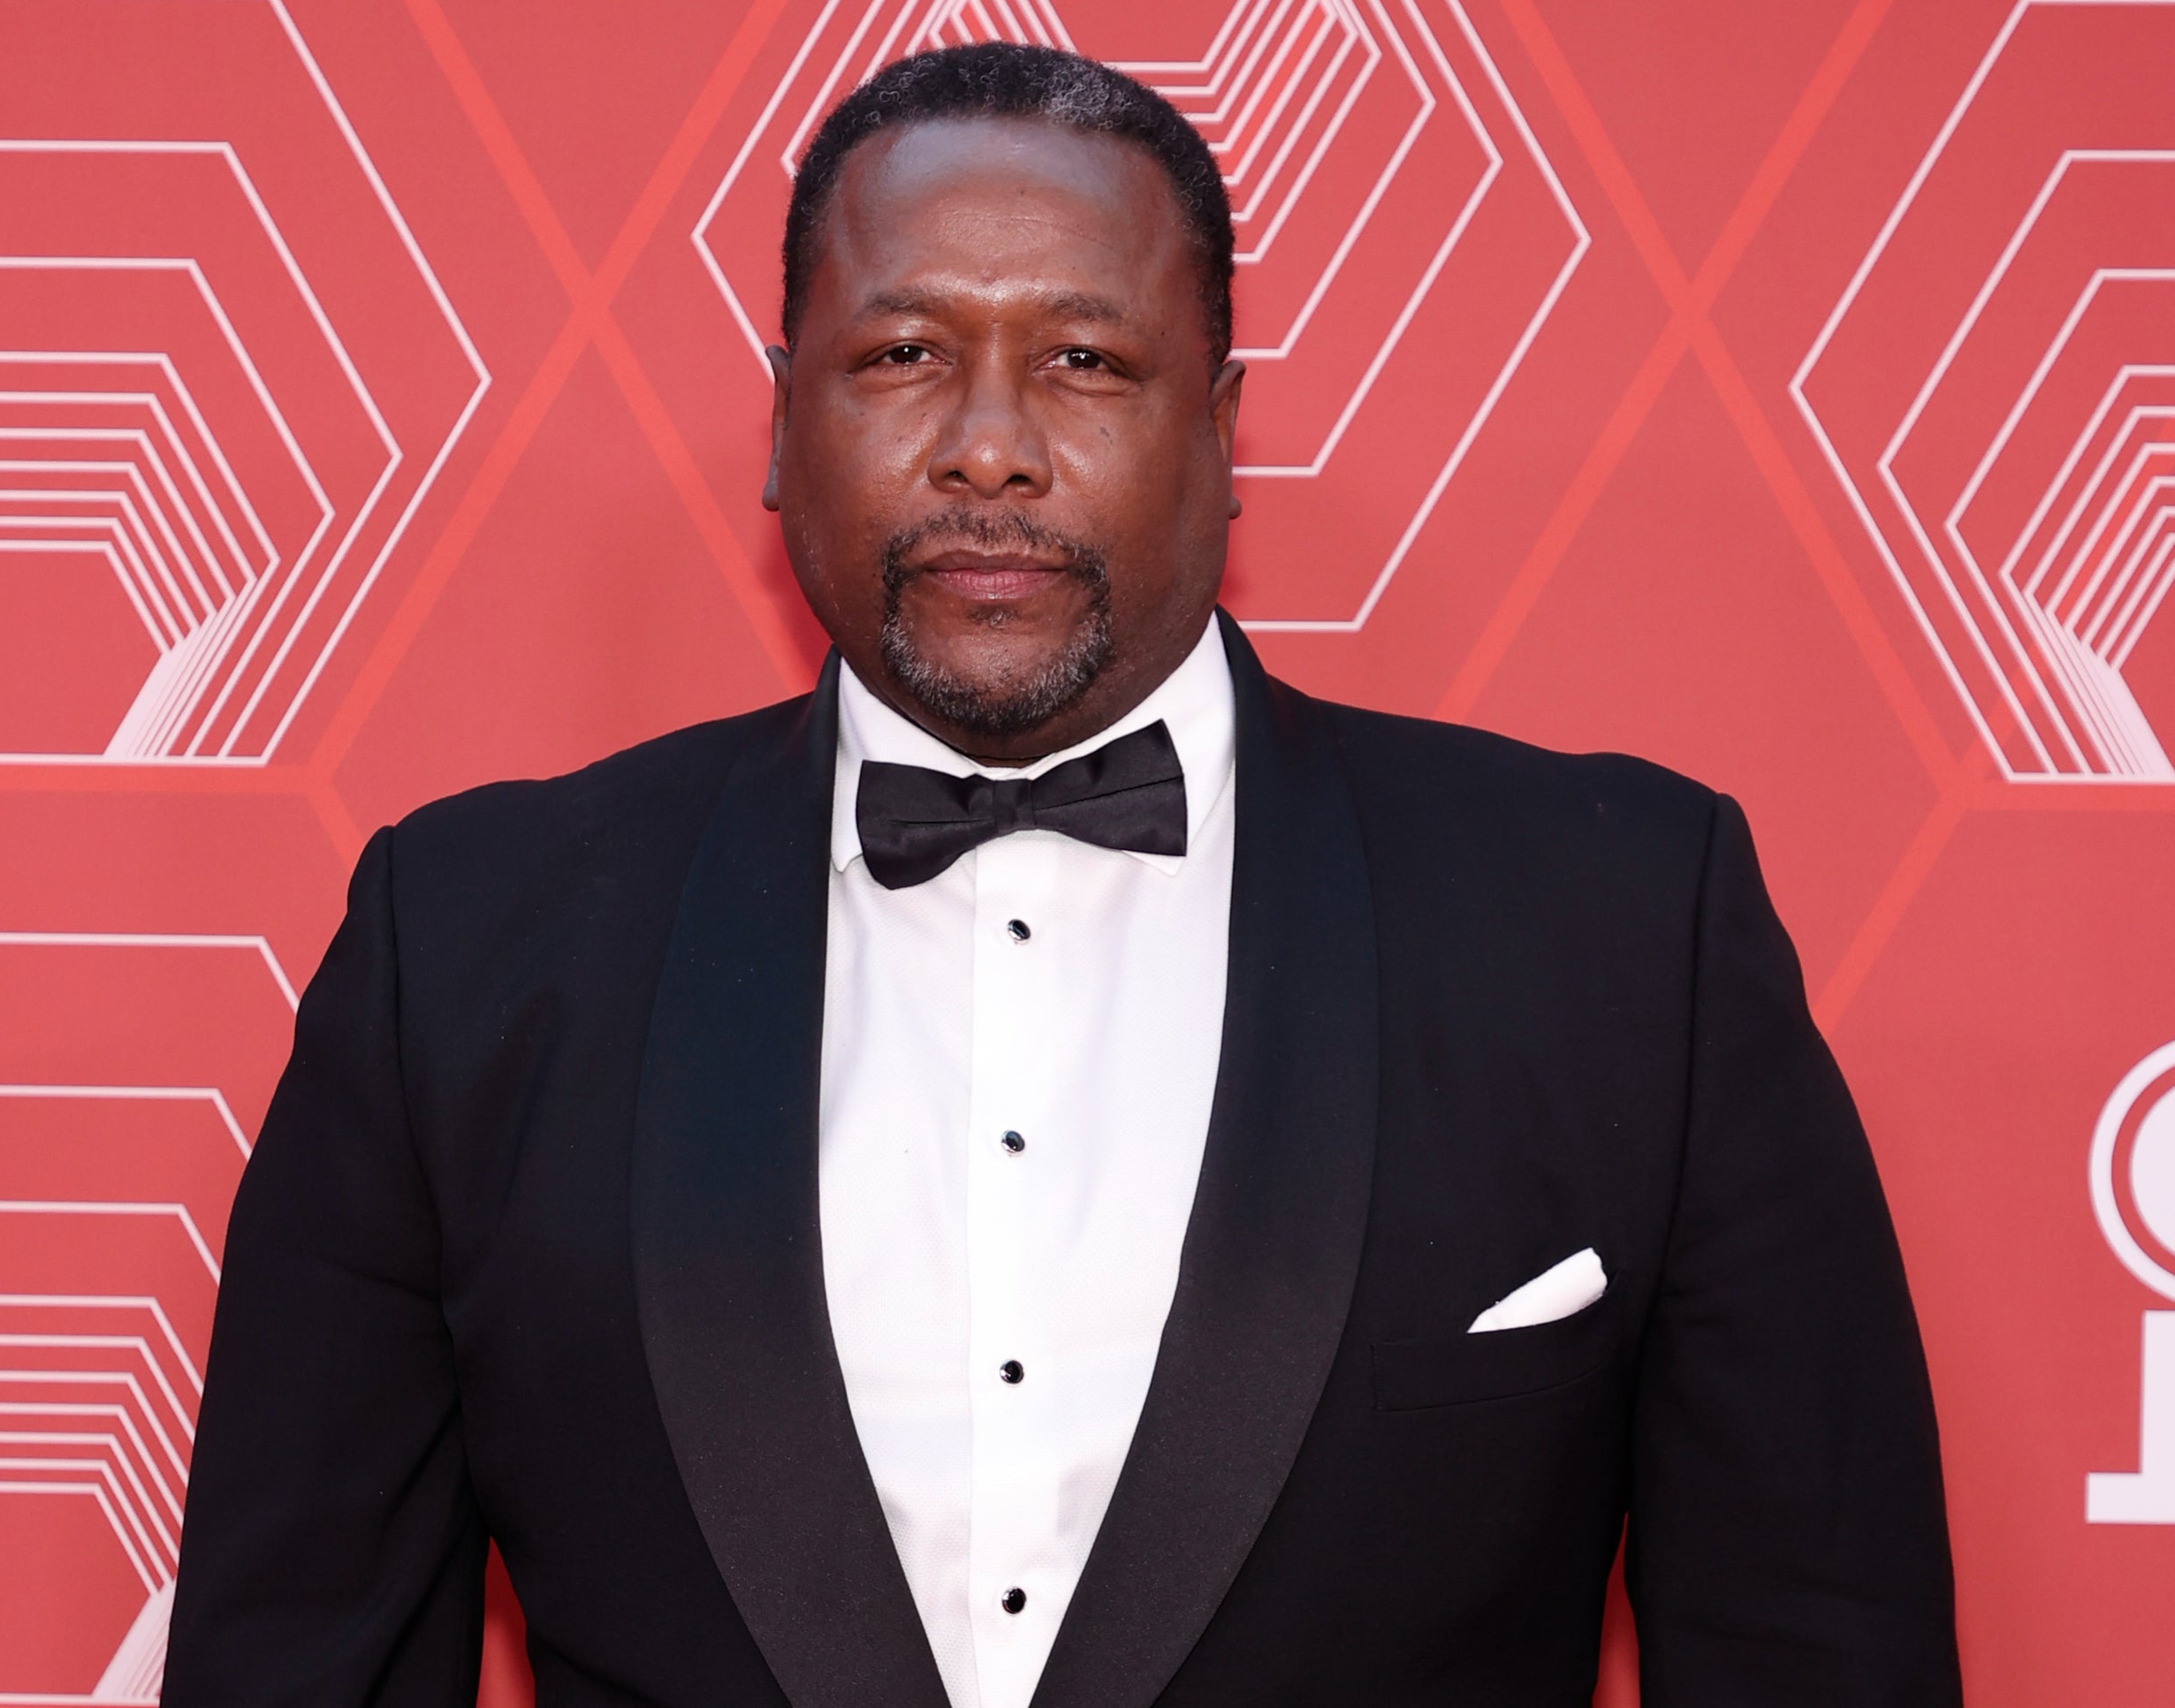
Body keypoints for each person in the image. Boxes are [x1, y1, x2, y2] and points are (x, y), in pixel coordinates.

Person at [164, 42, 1960, 1708]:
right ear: (780, 432)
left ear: (1223, 426)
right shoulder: (464, 949)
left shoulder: (1625, 929)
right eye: (898, 354)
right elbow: (296, 1658)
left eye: (1085, 359)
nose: (989, 443)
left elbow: (1817, 1641)